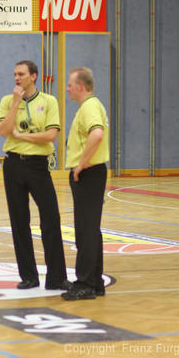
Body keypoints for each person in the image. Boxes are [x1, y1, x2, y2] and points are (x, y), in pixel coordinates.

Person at [0, 60, 69, 290]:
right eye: (15, 74)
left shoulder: (48, 101)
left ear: (34, 76)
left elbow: (51, 135)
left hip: (38, 166)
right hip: (13, 165)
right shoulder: (7, 101)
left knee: (51, 219)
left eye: (21, 74)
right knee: (19, 222)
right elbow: (4, 131)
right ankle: (28, 276)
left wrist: (23, 137)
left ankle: (56, 278)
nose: (16, 78)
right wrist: (15, 103)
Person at [61, 67, 109, 301]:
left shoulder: (89, 106)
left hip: (88, 174)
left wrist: (81, 165)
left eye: (70, 85)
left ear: (80, 86)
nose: (67, 89)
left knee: (85, 230)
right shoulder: (90, 106)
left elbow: (97, 134)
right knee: (90, 229)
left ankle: (86, 283)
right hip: (91, 174)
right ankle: (95, 282)